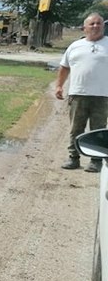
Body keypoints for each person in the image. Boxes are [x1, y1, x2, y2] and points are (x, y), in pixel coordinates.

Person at [55, 12, 108, 172]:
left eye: (99, 23)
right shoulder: (75, 46)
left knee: (98, 129)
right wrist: (59, 86)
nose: (95, 26)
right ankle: (73, 158)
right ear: (84, 27)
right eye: (92, 24)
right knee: (75, 128)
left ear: (103, 27)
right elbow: (64, 67)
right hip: (78, 94)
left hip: (102, 96)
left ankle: (96, 160)